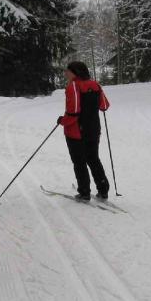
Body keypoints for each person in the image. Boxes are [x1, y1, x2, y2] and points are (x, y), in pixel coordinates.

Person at [57, 61, 110, 201]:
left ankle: (84, 192)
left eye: (67, 71)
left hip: (76, 132)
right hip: (93, 130)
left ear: (75, 72)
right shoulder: (95, 84)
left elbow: (73, 112)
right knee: (93, 159)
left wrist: (62, 121)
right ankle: (103, 190)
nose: (65, 73)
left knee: (79, 162)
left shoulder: (73, 86)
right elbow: (104, 106)